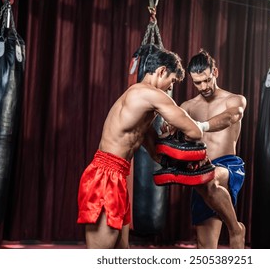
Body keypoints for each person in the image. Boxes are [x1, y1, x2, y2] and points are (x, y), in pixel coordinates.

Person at [77, 45, 203, 249]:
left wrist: (172, 157)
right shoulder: (149, 94)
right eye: (170, 83)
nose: (169, 90)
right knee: (100, 256)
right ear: (161, 71)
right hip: (106, 177)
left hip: (116, 175)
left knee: (122, 251)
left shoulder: (142, 106)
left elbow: (154, 151)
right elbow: (196, 131)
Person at [182, 49, 247, 249]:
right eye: (197, 82)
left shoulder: (234, 99)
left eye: (207, 80)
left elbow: (231, 117)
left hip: (228, 166)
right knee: (205, 248)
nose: (203, 86)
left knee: (208, 177)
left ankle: (235, 228)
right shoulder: (188, 107)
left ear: (215, 73)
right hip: (200, 169)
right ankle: (234, 229)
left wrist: (201, 126)